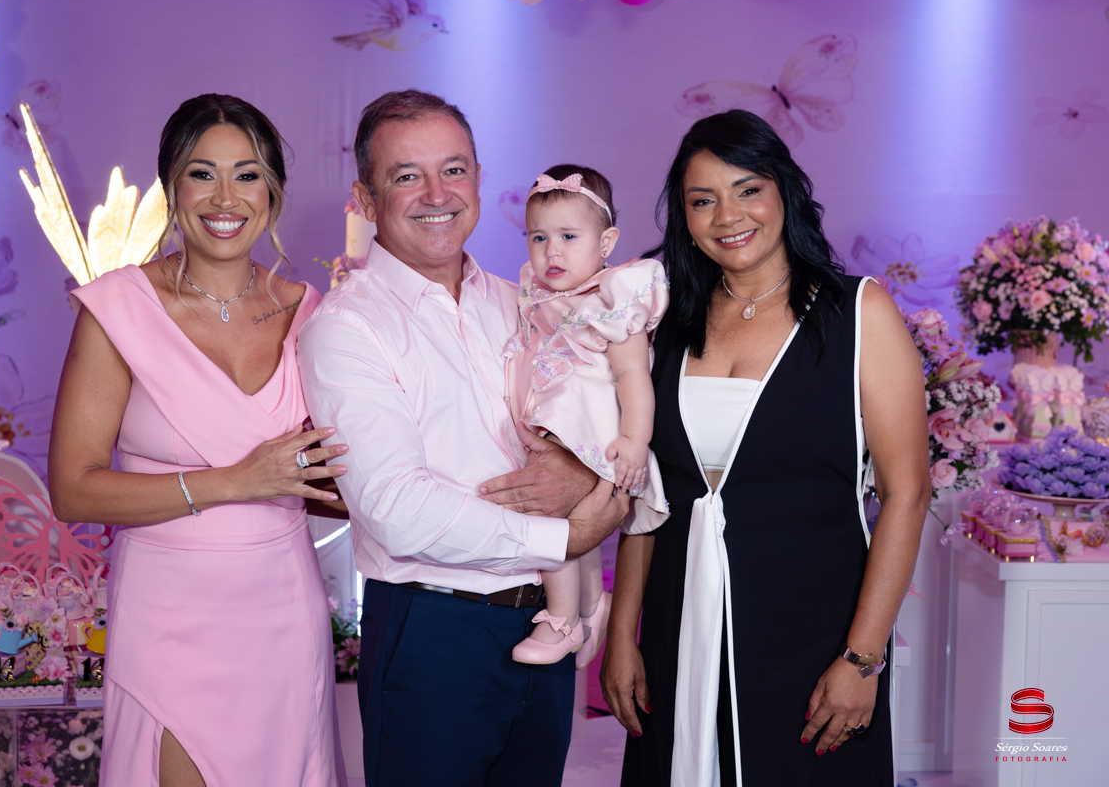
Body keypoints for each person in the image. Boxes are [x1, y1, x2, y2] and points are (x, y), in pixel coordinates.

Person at [297, 89, 629, 787]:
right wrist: (564, 536)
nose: (436, 194)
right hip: (433, 632)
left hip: (544, 624)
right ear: (365, 197)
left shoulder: (526, 303)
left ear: (478, 179)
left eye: (453, 170)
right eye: (406, 175)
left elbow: (608, 415)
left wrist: (584, 474)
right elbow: (394, 507)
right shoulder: (347, 328)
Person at [599, 109, 929, 786]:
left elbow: (907, 494)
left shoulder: (857, 312)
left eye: (747, 189)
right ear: (684, 216)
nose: (728, 216)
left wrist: (862, 658)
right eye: (703, 200)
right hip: (676, 626)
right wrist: (622, 635)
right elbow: (649, 498)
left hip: (812, 636)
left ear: (784, 190)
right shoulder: (665, 325)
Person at [49, 94, 347, 787]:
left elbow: (330, 482)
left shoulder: (311, 312)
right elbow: (72, 490)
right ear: (171, 188)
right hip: (168, 620)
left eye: (247, 175)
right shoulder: (118, 308)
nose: (225, 198)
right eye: (202, 173)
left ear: (272, 191)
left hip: (284, 615)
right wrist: (236, 482)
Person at [503, 165, 670, 669]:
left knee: (549, 515)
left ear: (606, 242)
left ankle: (561, 619)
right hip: (557, 423)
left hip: (593, 429)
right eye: (539, 238)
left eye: (569, 237)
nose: (551, 252)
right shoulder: (541, 295)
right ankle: (592, 605)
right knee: (575, 523)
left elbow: (635, 376)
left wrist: (636, 440)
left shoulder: (613, 299)